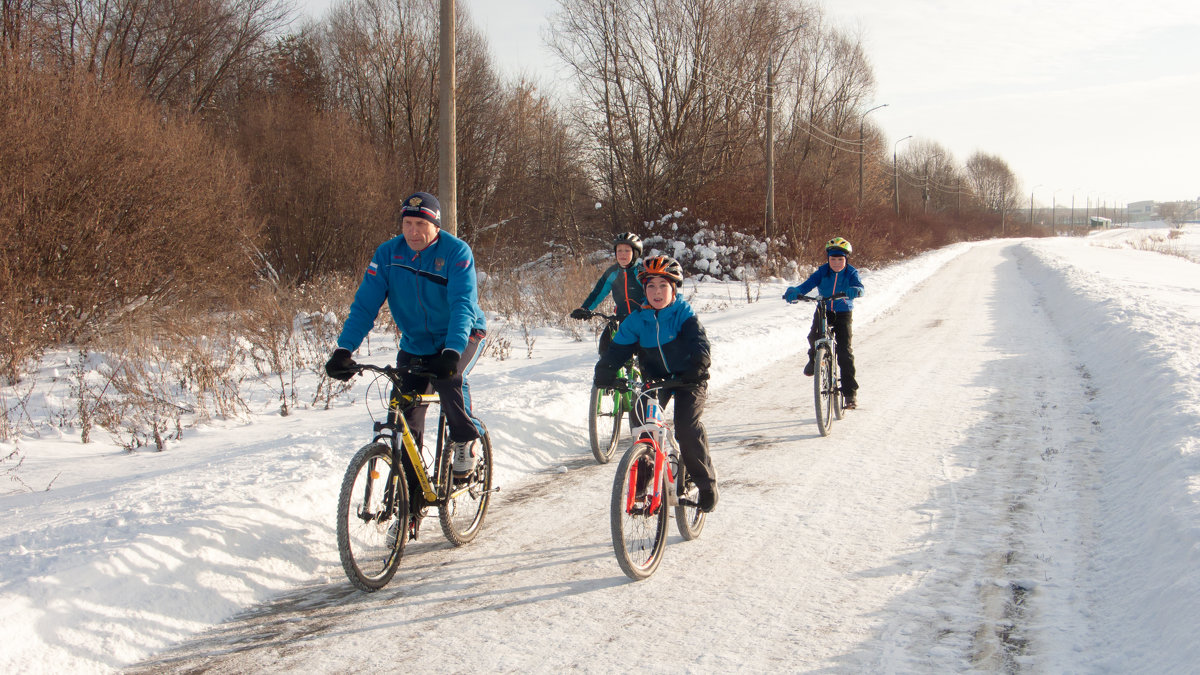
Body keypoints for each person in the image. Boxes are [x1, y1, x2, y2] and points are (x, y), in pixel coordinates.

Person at [324, 191, 488, 479]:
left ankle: (466, 438)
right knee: (404, 416)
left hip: (463, 335)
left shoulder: (456, 252)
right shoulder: (388, 254)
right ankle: (407, 505)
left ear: (436, 225)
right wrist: (344, 350)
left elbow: (463, 304)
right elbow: (364, 305)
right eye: (408, 224)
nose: (413, 232)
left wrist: (451, 351)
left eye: (421, 225)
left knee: (448, 378)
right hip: (416, 343)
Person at [593, 255, 718, 512]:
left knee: (685, 427)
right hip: (655, 381)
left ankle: (705, 484)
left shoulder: (683, 314)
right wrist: (604, 372)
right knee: (644, 426)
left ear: (674, 288)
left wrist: (699, 366)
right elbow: (616, 351)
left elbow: (700, 343)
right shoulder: (637, 320)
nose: (657, 292)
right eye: (651, 286)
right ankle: (641, 484)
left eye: (663, 285)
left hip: (689, 380)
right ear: (644, 289)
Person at [782, 236, 864, 409]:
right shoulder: (822, 271)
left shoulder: (851, 272)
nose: (836, 263)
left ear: (846, 259)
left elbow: (859, 287)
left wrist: (855, 290)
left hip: (843, 312)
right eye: (833, 259)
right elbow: (807, 285)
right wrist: (795, 291)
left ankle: (850, 395)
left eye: (840, 259)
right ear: (828, 259)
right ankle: (814, 359)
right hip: (824, 308)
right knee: (813, 336)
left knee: (844, 352)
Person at [570, 232, 646, 325]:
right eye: (619, 250)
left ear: (635, 253)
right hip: (621, 319)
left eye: (627, 251)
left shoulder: (641, 271)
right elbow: (598, 293)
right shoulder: (612, 273)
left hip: (643, 319)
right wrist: (585, 308)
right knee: (605, 339)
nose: (622, 254)